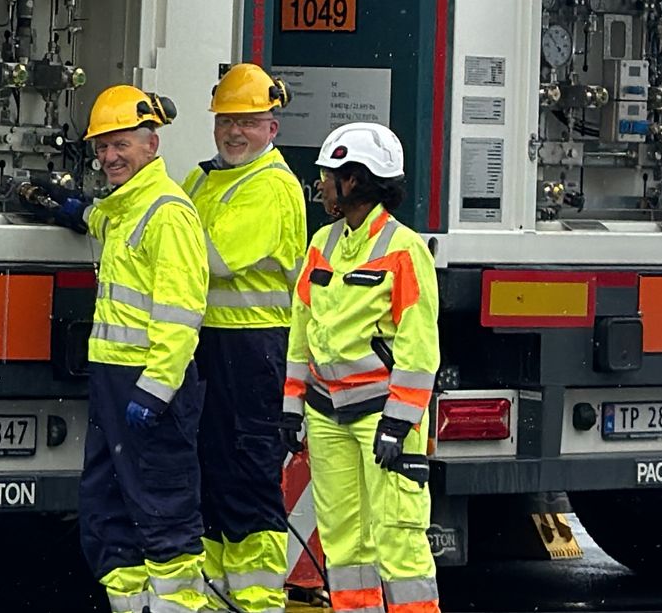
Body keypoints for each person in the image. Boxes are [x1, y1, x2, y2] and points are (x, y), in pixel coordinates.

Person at [282, 122, 441, 613]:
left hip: (381, 419)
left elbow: (419, 348)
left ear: (355, 180)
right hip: (328, 415)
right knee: (345, 546)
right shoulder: (322, 245)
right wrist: (292, 408)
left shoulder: (405, 249)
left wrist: (398, 423)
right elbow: (300, 332)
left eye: (330, 175)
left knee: (399, 542)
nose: (322, 184)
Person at [79, 85, 212, 613]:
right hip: (114, 380)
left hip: (149, 386)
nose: (110, 157)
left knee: (164, 516)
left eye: (122, 145)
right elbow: (101, 218)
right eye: (102, 147)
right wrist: (69, 209)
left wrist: (155, 392)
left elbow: (182, 315)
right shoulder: (124, 207)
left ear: (151, 146)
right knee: (107, 512)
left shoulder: (167, 213)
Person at [184, 65, 309, 613]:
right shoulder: (203, 179)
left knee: (249, 469)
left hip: (254, 347)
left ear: (272, 128)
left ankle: (257, 597)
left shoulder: (271, 186)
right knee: (210, 467)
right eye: (227, 121)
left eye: (249, 123)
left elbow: (204, 257)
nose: (235, 132)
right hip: (208, 343)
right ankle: (217, 593)